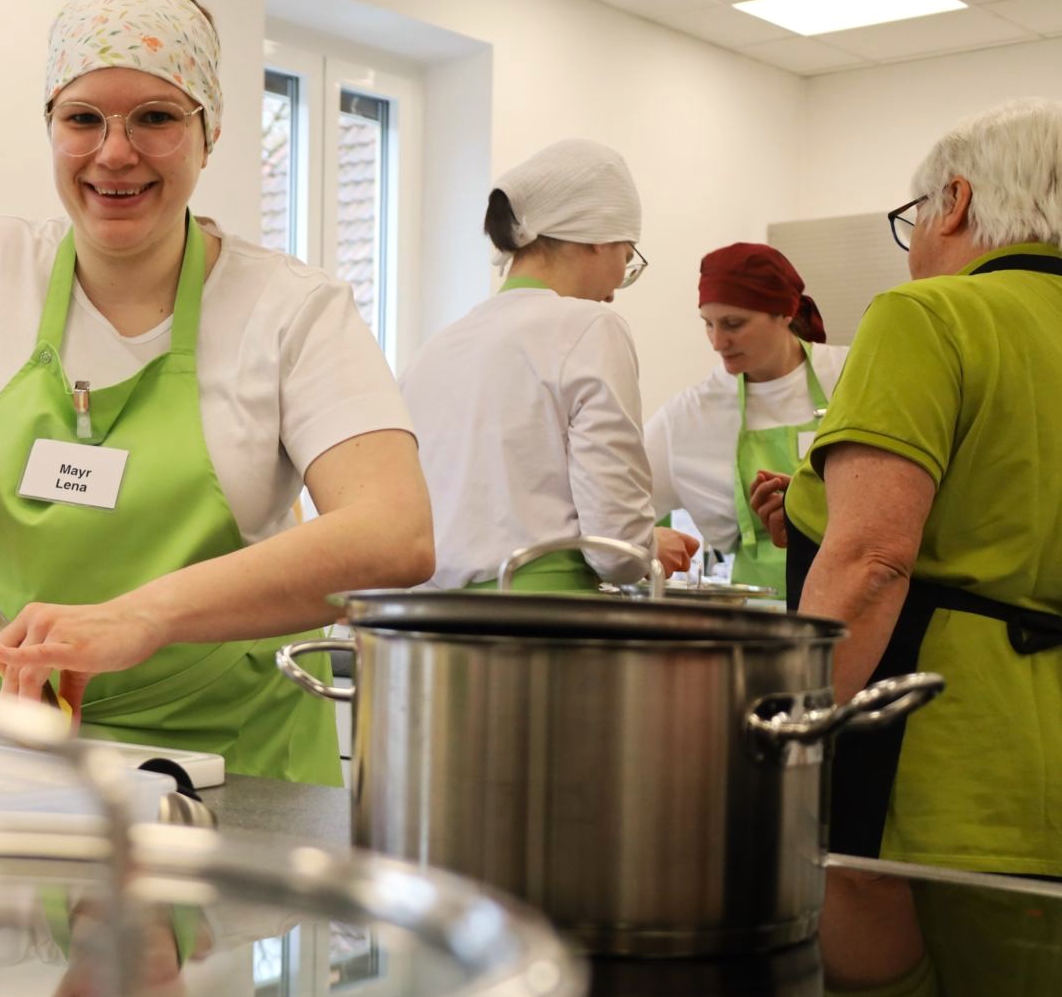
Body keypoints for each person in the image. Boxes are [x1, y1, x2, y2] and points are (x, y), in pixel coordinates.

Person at [0, 0, 432, 785]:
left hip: (220, 769)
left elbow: (395, 533)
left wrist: (144, 616)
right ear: (50, 127)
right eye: (83, 118)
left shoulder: (292, 311)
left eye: (156, 117)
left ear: (209, 133)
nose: (115, 152)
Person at [748, 97, 1062, 877]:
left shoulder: (928, 315)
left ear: (954, 200)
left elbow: (872, 561)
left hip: (939, 756)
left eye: (914, 214)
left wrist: (779, 747)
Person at [402, 139, 697, 592]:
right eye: (626, 258)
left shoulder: (433, 351)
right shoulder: (591, 328)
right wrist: (649, 546)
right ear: (599, 238)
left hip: (427, 621)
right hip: (540, 617)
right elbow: (616, 549)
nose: (615, 290)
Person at [644, 243, 846, 596]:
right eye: (708, 324)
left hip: (854, 591)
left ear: (785, 313)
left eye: (733, 324)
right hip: (760, 607)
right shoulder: (688, 418)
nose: (717, 342)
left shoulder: (850, 375)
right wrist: (646, 541)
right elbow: (616, 502)